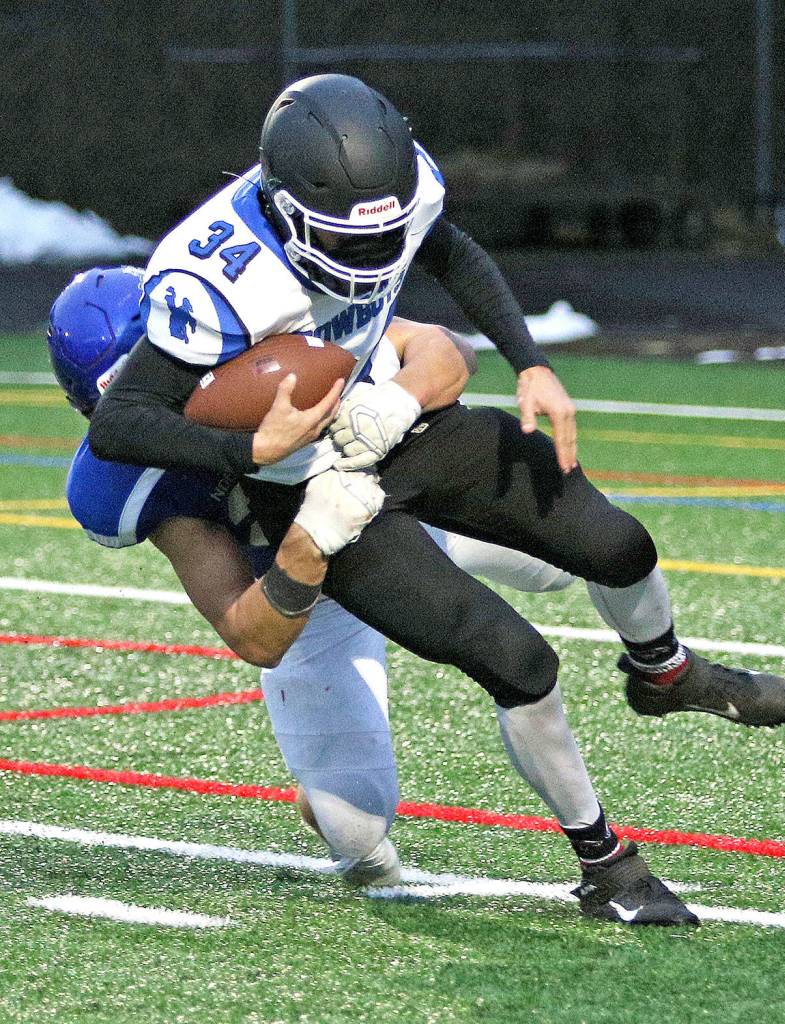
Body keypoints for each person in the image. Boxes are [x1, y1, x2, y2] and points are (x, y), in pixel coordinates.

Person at [87, 77, 785, 920]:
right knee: (518, 659)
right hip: (318, 493)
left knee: (617, 543)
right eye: (346, 240)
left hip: (397, 428)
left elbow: (452, 255)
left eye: (385, 233)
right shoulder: (216, 275)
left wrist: (529, 359)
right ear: (283, 208)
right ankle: (607, 865)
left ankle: (665, 672)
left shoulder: (399, 188)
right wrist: (250, 450)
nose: (369, 257)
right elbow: (121, 422)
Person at [52, 265, 697, 926]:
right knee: (359, 837)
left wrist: (398, 400)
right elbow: (252, 634)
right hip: (313, 600)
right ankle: (320, 792)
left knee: (572, 557)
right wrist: (309, 539)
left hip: (403, 514)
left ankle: (664, 666)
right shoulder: (133, 484)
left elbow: (447, 350)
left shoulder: (260, 330)